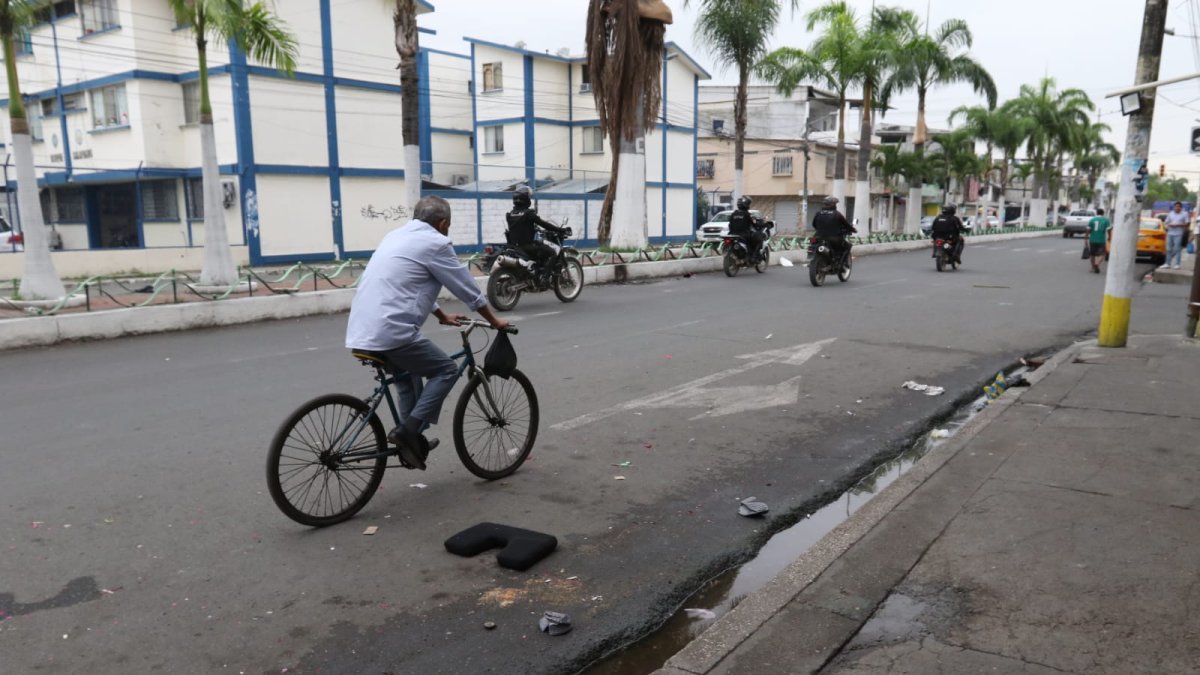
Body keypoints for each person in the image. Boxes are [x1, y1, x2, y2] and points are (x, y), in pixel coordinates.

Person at [346, 196, 510, 471]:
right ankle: (407, 432)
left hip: (361, 329)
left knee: (408, 380)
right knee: (445, 370)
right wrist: (493, 321)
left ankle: (410, 440)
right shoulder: (436, 243)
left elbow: (407, 284)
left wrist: (441, 315)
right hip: (392, 332)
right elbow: (465, 287)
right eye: (449, 225)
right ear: (443, 223)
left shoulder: (395, 236)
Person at [506, 186, 567, 281]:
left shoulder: (510, 214)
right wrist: (559, 229)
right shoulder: (529, 214)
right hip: (528, 246)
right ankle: (544, 278)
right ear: (525, 199)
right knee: (553, 252)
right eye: (529, 197)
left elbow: (520, 227)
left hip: (515, 247)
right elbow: (544, 224)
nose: (530, 199)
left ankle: (536, 272)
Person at [811, 195, 855, 262]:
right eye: (835, 204)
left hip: (818, 236)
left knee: (813, 245)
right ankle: (840, 263)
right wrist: (853, 229)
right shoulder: (837, 214)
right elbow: (846, 225)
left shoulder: (818, 213)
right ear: (833, 204)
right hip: (834, 238)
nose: (836, 205)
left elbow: (814, 224)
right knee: (847, 246)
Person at [727, 196, 764, 261]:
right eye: (748, 204)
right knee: (758, 240)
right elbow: (754, 224)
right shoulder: (747, 214)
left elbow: (730, 224)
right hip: (744, 235)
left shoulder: (733, 214)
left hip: (732, 234)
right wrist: (758, 225)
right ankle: (754, 257)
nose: (749, 205)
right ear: (746, 205)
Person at [1163, 201, 1190, 269]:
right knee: (1168, 249)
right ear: (1174, 207)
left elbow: (1187, 224)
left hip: (1178, 234)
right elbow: (1166, 222)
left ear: (1181, 208)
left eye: (1179, 207)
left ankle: (1177, 264)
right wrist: (1167, 226)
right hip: (1170, 233)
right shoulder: (1171, 213)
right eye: (1176, 206)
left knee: (1177, 249)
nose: (1177, 208)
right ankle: (1167, 263)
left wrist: (1178, 225)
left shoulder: (1184, 214)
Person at [1086, 208, 1111, 274]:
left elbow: (1088, 230)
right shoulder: (1106, 220)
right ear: (1103, 213)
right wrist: (1109, 238)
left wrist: (1085, 239)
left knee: (1092, 254)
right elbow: (1109, 230)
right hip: (1101, 240)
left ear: (1096, 213)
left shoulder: (1092, 220)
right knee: (1103, 254)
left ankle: (1092, 267)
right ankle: (1097, 263)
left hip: (1092, 239)